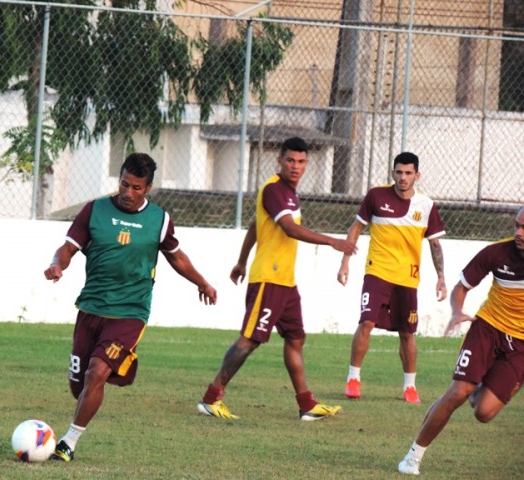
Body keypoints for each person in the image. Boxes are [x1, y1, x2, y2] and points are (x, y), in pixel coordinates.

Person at [44, 152, 217, 462]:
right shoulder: (94, 211)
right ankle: (100, 385)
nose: (128, 192)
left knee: (97, 372)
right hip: (91, 309)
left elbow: (176, 256)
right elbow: (68, 248)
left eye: (136, 187)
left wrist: (202, 282)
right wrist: (58, 264)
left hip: (130, 314)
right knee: (79, 386)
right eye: (124, 184)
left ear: (148, 188)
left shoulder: (159, 220)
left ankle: (68, 443)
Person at [197, 136, 357, 421]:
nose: (295, 166)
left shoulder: (289, 193)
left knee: (296, 338)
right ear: (279, 161)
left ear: (307, 164)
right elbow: (289, 229)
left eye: (301, 161)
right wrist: (333, 241)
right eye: (290, 161)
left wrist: (241, 260)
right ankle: (211, 398)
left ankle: (306, 404)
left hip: (285, 282)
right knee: (250, 340)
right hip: (269, 280)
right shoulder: (274, 189)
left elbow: (255, 225)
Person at [398, 206, 524, 475]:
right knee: (458, 392)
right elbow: (462, 287)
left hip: (520, 346)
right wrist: (457, 311)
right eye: (516, 225)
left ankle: (476, 379)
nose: (519, 233)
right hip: (488, 329)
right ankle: (412, 457)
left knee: (484, 412)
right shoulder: (496, 253)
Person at [337, 152, 446, 403]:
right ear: (392, 173)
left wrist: (441, 277)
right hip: (377, 272)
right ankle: (353, 379)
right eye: (399, 172)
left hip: (408, 278)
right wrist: (345, 261)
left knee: (407, 333)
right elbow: (356, 227)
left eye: (408, 173)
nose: (403, 178)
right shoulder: (376, 196)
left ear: (417, 176)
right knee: (366, 322)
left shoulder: (426, 205)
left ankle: (409, 386)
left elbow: (435, 244)